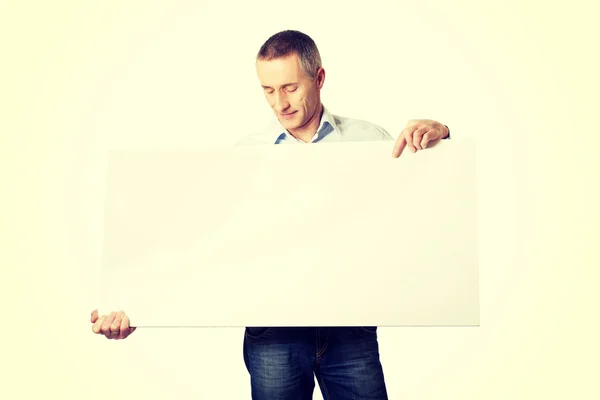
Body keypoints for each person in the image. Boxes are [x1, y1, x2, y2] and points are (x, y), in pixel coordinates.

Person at [91, 30, 451, 399]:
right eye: (268, 90)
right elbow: (198, 246)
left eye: (290, 87)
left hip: (350, 329)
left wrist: (442, 138)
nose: (280, 103)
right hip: (273, 336)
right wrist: (135, 306)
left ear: (320, 78)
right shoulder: (243, 156)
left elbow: (417, 214)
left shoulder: (373, 141)